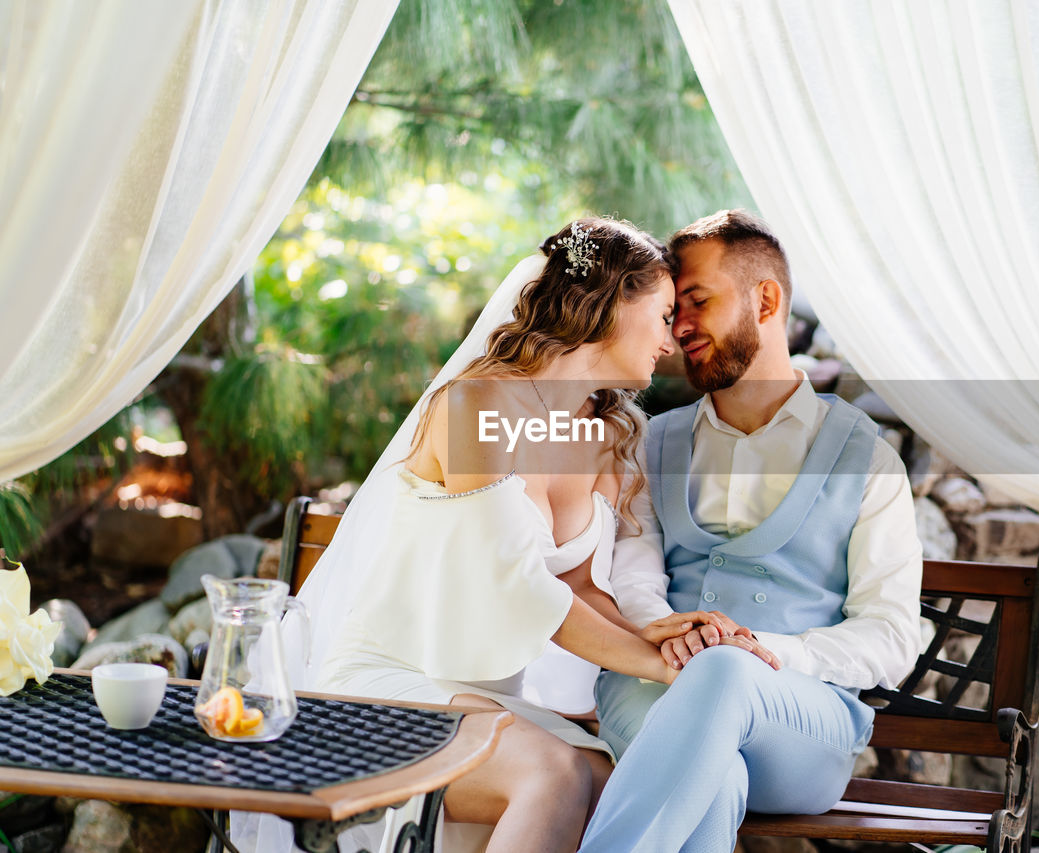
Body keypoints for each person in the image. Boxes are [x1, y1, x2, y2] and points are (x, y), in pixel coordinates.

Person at [231, 217, 777, 853]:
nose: (669, 343)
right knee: (555, 774)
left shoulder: (604, 436)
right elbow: (514, 586)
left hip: (481, 696)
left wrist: (661, 637)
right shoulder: (474, 406)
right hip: (391, 681)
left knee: (643, 782)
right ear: (606, 307)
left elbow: (579, 587)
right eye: (660, 315)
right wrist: (665, 668)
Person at [581, 210, 925, 852]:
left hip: (800, 726)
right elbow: (634, 565)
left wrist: (766, 653)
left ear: (765, 299)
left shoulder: (868, 459)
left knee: (726, 675)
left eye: (697, 302)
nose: (678, 328)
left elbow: (892, 635)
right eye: (670, 311)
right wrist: (669, 632)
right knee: (715, 777)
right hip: (651, 689)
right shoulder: (651, 444)